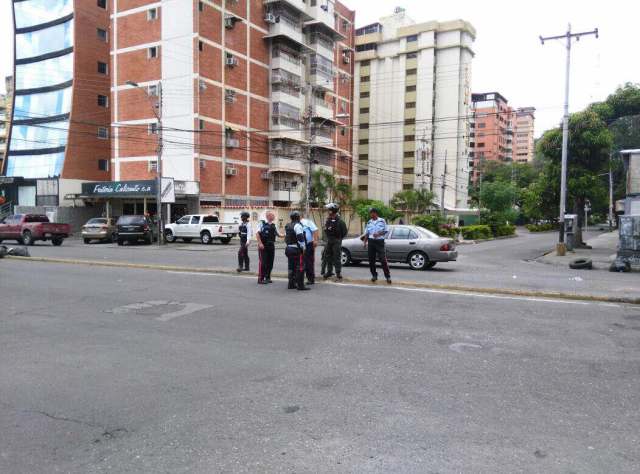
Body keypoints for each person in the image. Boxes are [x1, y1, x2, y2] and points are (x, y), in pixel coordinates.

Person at [362, 207, 392, 284]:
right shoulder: (369, 222)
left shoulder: (382, 221)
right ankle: (374, 275)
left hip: (380, 242)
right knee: (371, 260)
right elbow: (367, 233)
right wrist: (365, 242)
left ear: (375, 213)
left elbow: (386, 231)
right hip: (371, 242)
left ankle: (387, 276)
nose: (370, 214)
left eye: (372, 213)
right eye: (370, 213)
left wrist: (378, 234)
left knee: (383, 260)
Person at [322, 203, 348, 281]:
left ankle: (338, 273)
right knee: (328, 256)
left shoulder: (340, 221)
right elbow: (326, 230)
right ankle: (329, 271)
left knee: (337, 257)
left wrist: (338, 239)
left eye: (329, 210)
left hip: (336, 240)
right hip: (329, 240)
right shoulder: (328, 220)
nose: (328, 211)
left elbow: (344, 232)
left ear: (332, 211)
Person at [284, 211, 309, 291]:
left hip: (288, 248)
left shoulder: (288, 225)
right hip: (296, 249)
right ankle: (300, 285)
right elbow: (300, 237)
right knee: (300, 266)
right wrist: (303, 247)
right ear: (298, 217)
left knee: (291, 267)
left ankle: (291, 284)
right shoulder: (297, 225)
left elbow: (286, 237)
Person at [256, 211, 282, 284]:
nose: (274, 216)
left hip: (271, 245)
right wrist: (260, 243)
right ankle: (260, 279)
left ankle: (267, 277)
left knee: (270, 262)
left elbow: (278, 234)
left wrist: (287, 234)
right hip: (263, 245)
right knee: (263, 262)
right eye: (272, 215)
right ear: (268, 216)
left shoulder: (274, 225)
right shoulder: (261, 223)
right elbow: (257, 234)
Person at [300, 213, 319, 285]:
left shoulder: (307, 222)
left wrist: (315, 240)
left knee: (309, 262)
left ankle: (310, 278)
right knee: (301, 262)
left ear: (301, 216)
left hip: (308, 244)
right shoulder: (295, 223)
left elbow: (315, 230)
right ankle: (300, 278)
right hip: (300, 245)